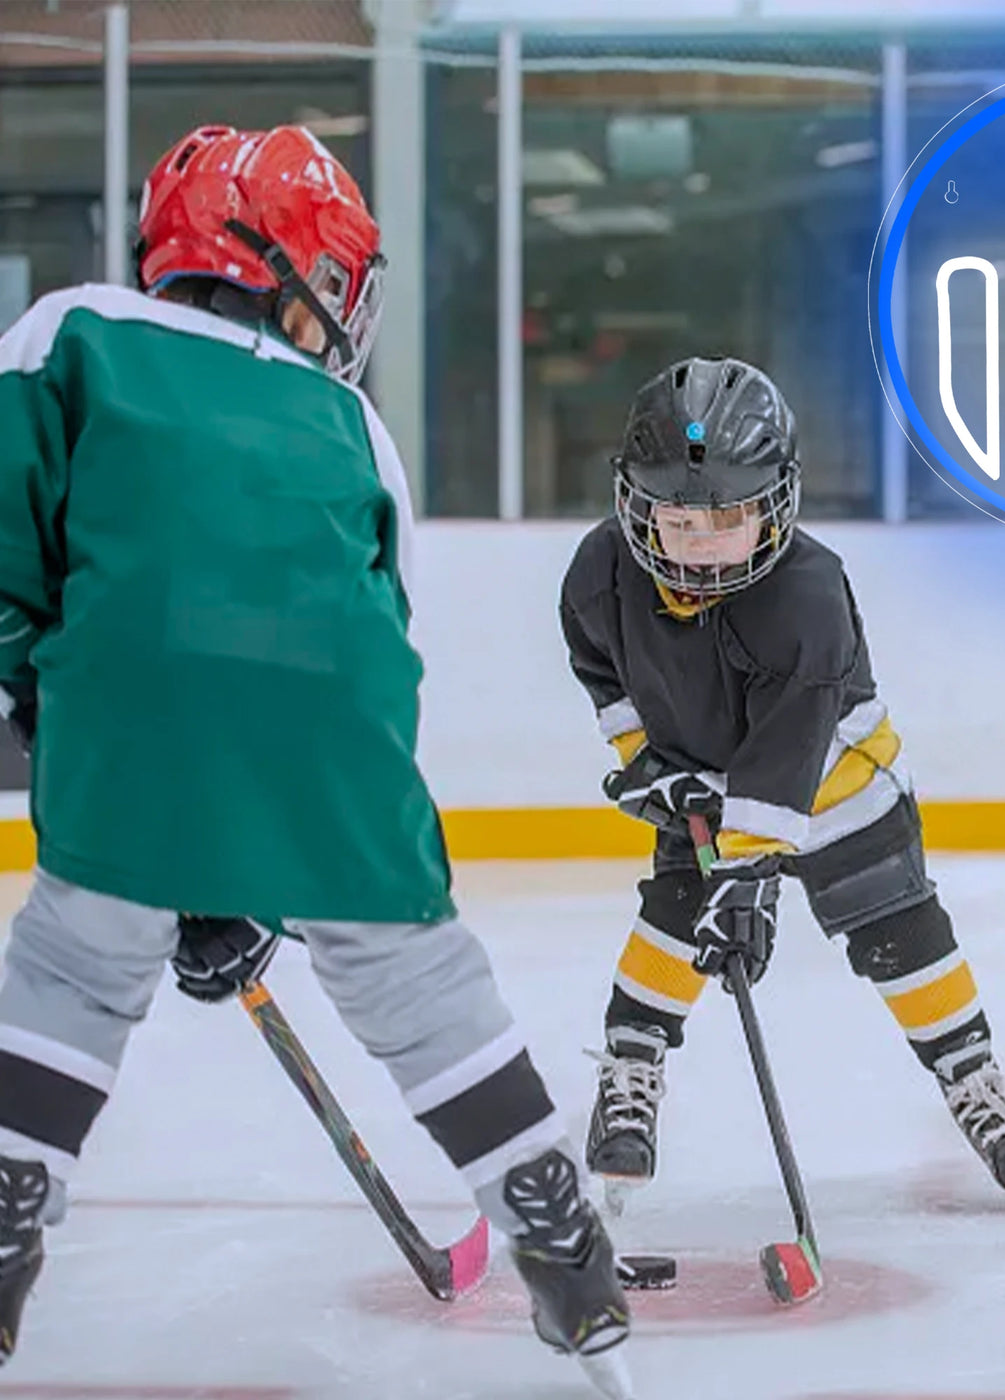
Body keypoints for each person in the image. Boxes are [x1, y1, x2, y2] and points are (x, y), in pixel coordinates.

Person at [0, 125, 629, 1389]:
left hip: (121, 706)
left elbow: (23, 555)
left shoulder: (72, 330)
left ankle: (11, 1199)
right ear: (274, 263)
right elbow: (364, 649)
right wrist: (247, 860)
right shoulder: (350, 420)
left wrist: (114, 788)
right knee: (416, 976)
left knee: (79, 956)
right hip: (344, 752)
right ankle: (560, 1234)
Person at [560, 356, 1005, 1207]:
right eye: (680, 521)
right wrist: (648, 767)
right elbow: (605, 675)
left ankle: (974, 1081)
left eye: (730, 520)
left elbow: (789, 751)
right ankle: (630, 1068)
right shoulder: (599, 577)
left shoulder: (808, 594)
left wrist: (749, 876)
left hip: (829, 777)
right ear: (637, 506)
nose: (704, 546)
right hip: (709, 781)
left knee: (899, 925)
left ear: (776, 505)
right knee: (675, 916)